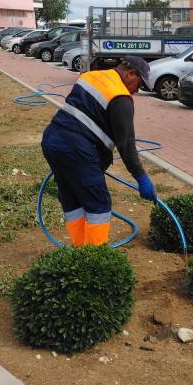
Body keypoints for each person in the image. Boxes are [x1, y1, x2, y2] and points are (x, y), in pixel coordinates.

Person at [41, 56, 156, 247]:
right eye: (139, 84)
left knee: (72, 200)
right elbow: (126, 144)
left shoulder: (91, 76)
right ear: (130, 74)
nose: (137, 90)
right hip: (77, 150)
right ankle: (95, 257)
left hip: (52, 140)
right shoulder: (120, 98)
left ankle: (79, 250)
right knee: (99, 204)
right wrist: (141, 177)